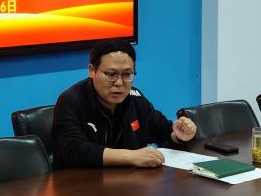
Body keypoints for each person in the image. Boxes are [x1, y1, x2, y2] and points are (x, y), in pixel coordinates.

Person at [51, 39, 197, 168]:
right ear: (92, 71)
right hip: (80, 186)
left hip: (128, 185)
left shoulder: (136, 99)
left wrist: (179, 136)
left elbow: (163, 131)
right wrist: (130, 156)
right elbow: (72, 150)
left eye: (127, 75)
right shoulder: (71, 101)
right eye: (111, 74)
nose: (119, 83)